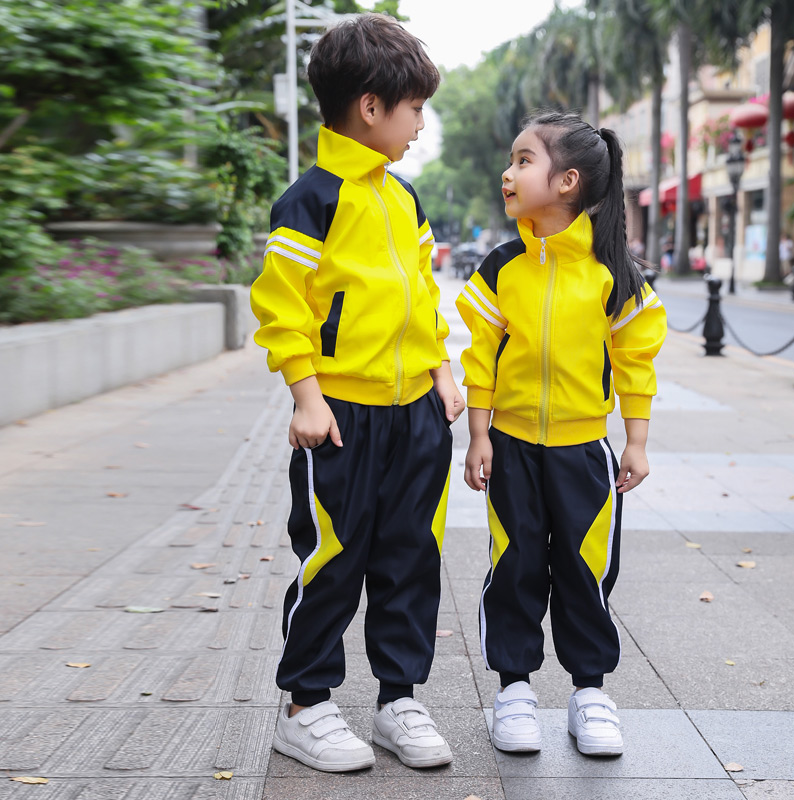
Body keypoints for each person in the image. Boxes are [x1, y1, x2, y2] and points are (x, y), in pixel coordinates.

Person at [250, 13, 464, 774]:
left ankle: (398, 698)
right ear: (371, 107)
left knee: (411, 557)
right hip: (339, 419)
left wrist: (441, 369)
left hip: (417, 416)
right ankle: (306, 705)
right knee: (334, 560)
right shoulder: (310, 200)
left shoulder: (404, 199)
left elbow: (420, 296)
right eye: (414, 109)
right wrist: (308, 396)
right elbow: (282, 306)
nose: (419, 124)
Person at [456, 110, 667, 758]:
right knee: (514, 565)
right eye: (513, 159)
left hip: (583, 453)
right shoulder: (500, 267)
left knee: (585, 569)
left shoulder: (612, 274)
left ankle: (590, 694)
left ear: (568, 181)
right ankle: (513, 689)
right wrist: (479, 435)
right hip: (512, 447)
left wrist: (635, 440)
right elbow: (481, 358)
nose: (508, 172)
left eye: (524, 160)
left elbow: (635, 359)